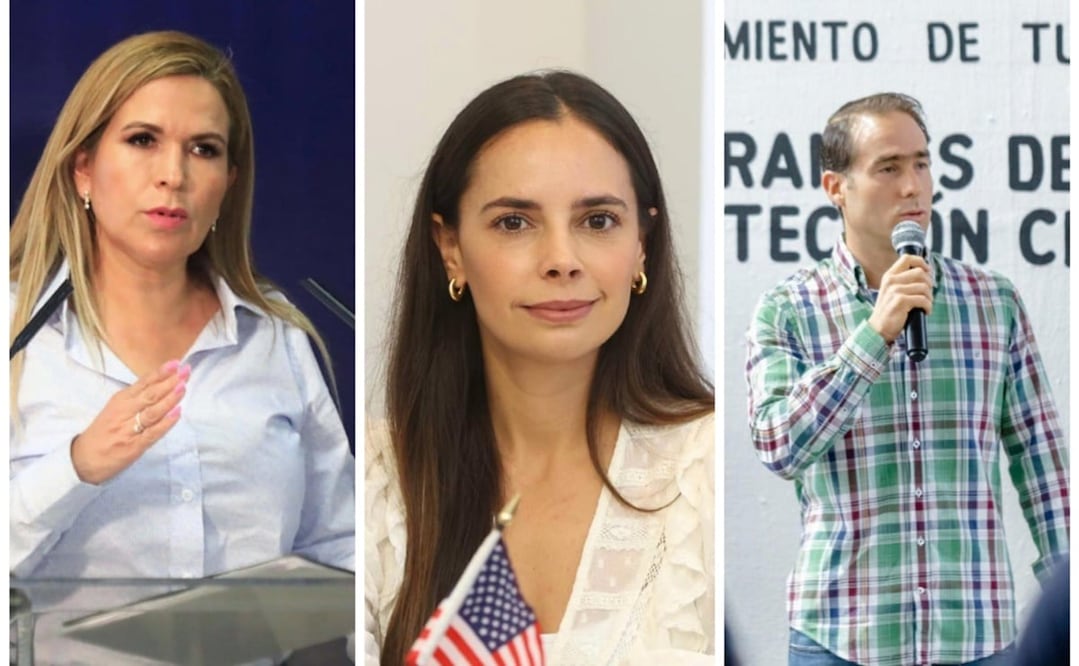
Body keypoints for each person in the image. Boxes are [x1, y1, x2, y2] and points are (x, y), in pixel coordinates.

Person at [9, 30, 354, 661]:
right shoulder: (17, 335)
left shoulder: (275, 338)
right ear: (83, 166)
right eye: (143, 141)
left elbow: (341, 546)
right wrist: (78, 465)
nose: (173, 175)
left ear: (227, 181)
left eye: (203, 149)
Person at [365, 71, 715, 665]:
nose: (561, 260)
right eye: (514, 222)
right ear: (450, 247)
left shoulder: (706, 468)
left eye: (597, 220)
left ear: (643, 244)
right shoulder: (379, 479)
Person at [745, 93, 1069, 666]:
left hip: (975, 638)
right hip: (841, 638)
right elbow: (777, 445)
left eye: (921, 163)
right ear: (835, 188)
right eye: (889, 168)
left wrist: (1069, 603)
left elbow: (1043, 466)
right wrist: (875, 333)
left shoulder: (992, 302)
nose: (913, 186)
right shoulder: (787, 309)